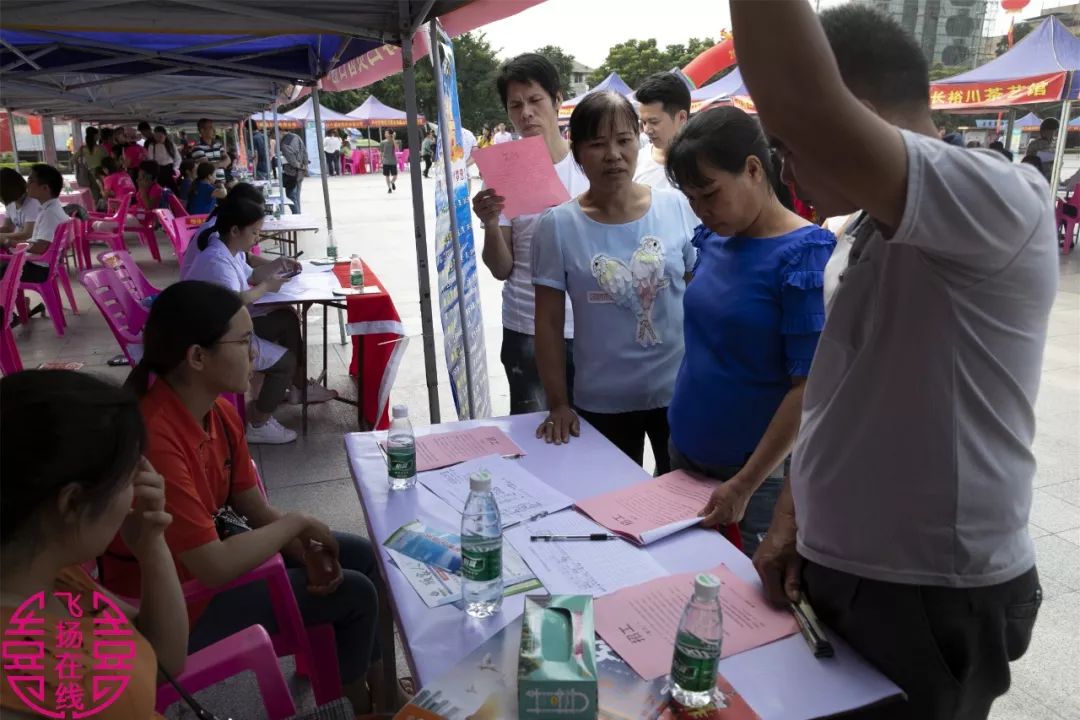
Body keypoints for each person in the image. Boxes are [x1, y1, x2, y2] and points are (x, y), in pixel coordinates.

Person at [735, 3, 1053, 718]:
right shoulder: (858, 237)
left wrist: (809, 114)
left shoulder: (1000, 202)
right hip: (844, 573)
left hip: (930, 594)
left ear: (862, 117)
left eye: (787, 145)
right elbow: (839, 398)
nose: (787, 168)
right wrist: (794, 520)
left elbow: (803, 101)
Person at [103, 281, 382, 710]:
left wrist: (297, 547)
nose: (256, 351)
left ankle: (382, 693)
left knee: (361, 555)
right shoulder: (156, 437)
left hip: (203, 566)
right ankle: (355, 707)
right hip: (174, 606)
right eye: (245, 340)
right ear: (197, 357)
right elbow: (212, 567)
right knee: (355, 594)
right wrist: (297, 524)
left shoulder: (216, 409)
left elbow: (249, 503)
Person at [664, 107, 834, 556]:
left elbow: (808, 388)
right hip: (684, 450)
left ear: (754, 169)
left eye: (710, 193)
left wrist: (744, 484)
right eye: (691, 199)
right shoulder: (714, 238)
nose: (701, 209)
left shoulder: (804, 256)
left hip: (750, 479)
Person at [0, 370, 188, 719]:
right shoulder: (36, 683)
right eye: (129, 477)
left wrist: (152, 545)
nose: (139, 490)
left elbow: (165, 659)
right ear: (72, 503)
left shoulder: (49, 572)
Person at [530, 91, 697, 474]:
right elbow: (549, 324)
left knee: (684, 508)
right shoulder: (557, 226)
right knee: (614, 510)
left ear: (638, 142)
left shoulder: (676, 207)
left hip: (680, 395)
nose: (613, 155)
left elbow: (700, 295)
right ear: (578, 153)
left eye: (624, 141)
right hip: (602, 403)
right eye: (597, 144)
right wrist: (558, 403)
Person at [472, 53, 589, 415]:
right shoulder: (503, 173)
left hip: (590, 328)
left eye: (535, 100)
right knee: (536, 440)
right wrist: (491, 222)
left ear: (557, 100)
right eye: (515, 105)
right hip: (526, 326)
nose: (526, 113)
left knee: (597, 441)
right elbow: (500, 268)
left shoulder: (590, 166)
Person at [184, 198, 336, 443]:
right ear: (235, 230)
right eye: (254, 232)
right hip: (216, 337)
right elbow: (234, 302)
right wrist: (267, 286)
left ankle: (298, 388)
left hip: (226, 326)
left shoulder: (227, 249)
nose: (257, 239)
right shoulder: (216, 260)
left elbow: (252, 273)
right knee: (285, 361)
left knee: (286, 318)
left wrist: (278, 265)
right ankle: (259, 422)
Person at [0, 164, 69, 283]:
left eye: (31, 181)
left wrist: (8, 242)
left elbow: (40, 247)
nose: (26, 185)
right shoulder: (50, 208)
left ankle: (10, 300)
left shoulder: (49, 214)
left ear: (45, 188)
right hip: (40, 264)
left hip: (39, 268)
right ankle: (13, 300)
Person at [634, 72, 691, 190]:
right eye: (643, 122)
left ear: (681, 117)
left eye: (654, 122)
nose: (646, 130)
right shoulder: (636, 163)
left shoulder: (703, 166)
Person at [0, 168, 40, 247]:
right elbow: (8, 228)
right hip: (21, 247)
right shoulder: (11, 203)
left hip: (32, 248)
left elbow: (27, 234)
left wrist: (3, 237)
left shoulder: (33, 202)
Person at [77, 126, 108, 204]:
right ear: (95, 136)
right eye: (97, 135)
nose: (99, 136)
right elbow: (108, 159)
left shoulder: (83, 148)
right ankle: (104, 210)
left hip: (90, 173)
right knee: (104, 192)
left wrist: (83, 164)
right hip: (100, 173)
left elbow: (73, 160)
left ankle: (98, 210)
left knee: (95, 194)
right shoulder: (101, 148)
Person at [279, 129, 307, 212]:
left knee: (291, 196)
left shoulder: (284, 144)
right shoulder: (297, 137)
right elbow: (305, 152)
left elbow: (292, 161)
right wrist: (305, 166)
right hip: (300, 172)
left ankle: (297, 215)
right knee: (296, 196)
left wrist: (300, 166)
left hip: (291, 173)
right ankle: (299, 214)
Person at [380, 129, 398, 193]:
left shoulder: (393, 141)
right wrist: (381, 160)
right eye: (385, 133)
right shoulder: (382, 142)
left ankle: (392, 182)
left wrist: (393, 138)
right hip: (385, 161)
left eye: (386, 133)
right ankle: (389, 188)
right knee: (387, 175)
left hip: (393, 161)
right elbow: (381, 152)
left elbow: (397, 148)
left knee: (395, 176)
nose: (385, 134)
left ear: (390, 134)